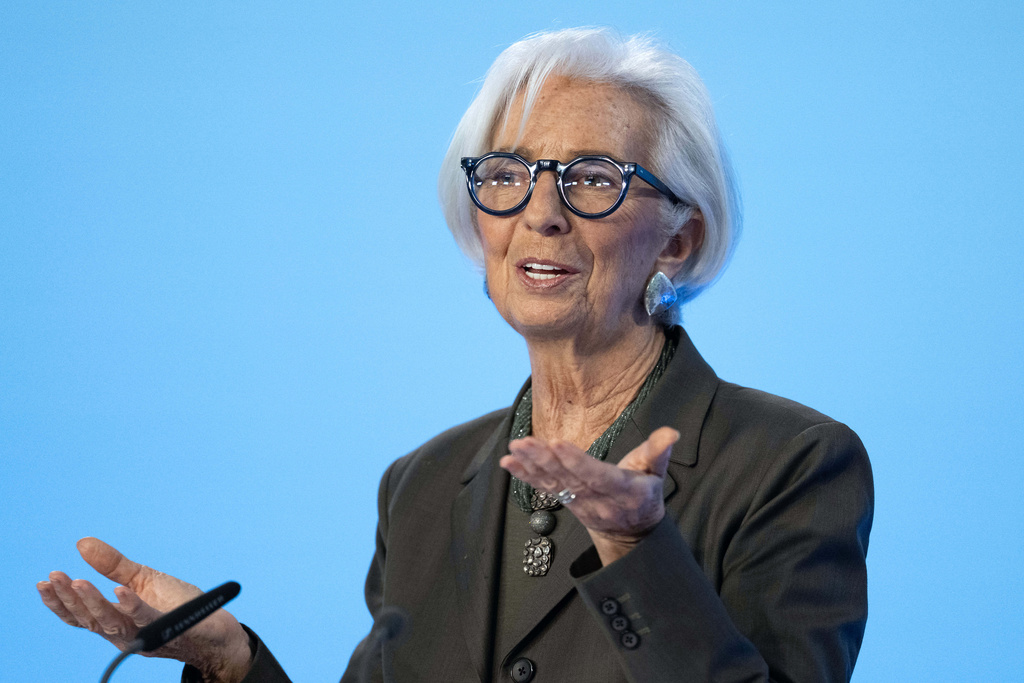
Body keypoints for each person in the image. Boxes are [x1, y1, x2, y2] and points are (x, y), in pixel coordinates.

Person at [37, 27, 873, 682]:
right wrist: (232, 660)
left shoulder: (792, 463)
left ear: (679, 241)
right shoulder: (423, 484)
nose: (540, 213)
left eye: (590, 177)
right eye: (508, 174)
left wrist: (636, 549)